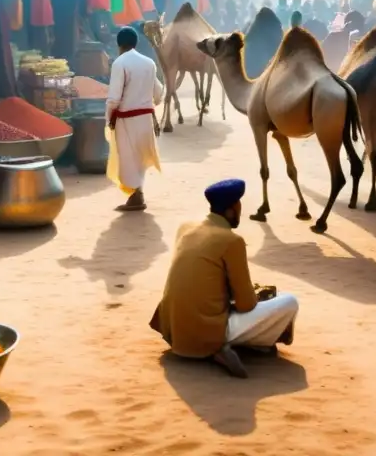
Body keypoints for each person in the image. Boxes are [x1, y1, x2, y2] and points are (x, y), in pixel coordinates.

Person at [149, 179, 298, 378]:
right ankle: (245, 345)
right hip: (207, 328)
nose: (240, 211)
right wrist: (256, 294)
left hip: (173, 329)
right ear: (230, 210)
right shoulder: (232, 241)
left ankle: (226, 346)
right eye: (238, 206)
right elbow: (246, 305)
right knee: (288, 301)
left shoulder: (185, 227)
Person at [106, 27, 164, 212]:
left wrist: (109, 118)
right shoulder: (149, 63)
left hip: (127, 119)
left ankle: (136, 196)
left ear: (119, 44)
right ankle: (138, 194)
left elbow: (114, 98)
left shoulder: (120, 63)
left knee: (129, 158)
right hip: (146, 117)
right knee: (139, 158)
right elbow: (159, 93)